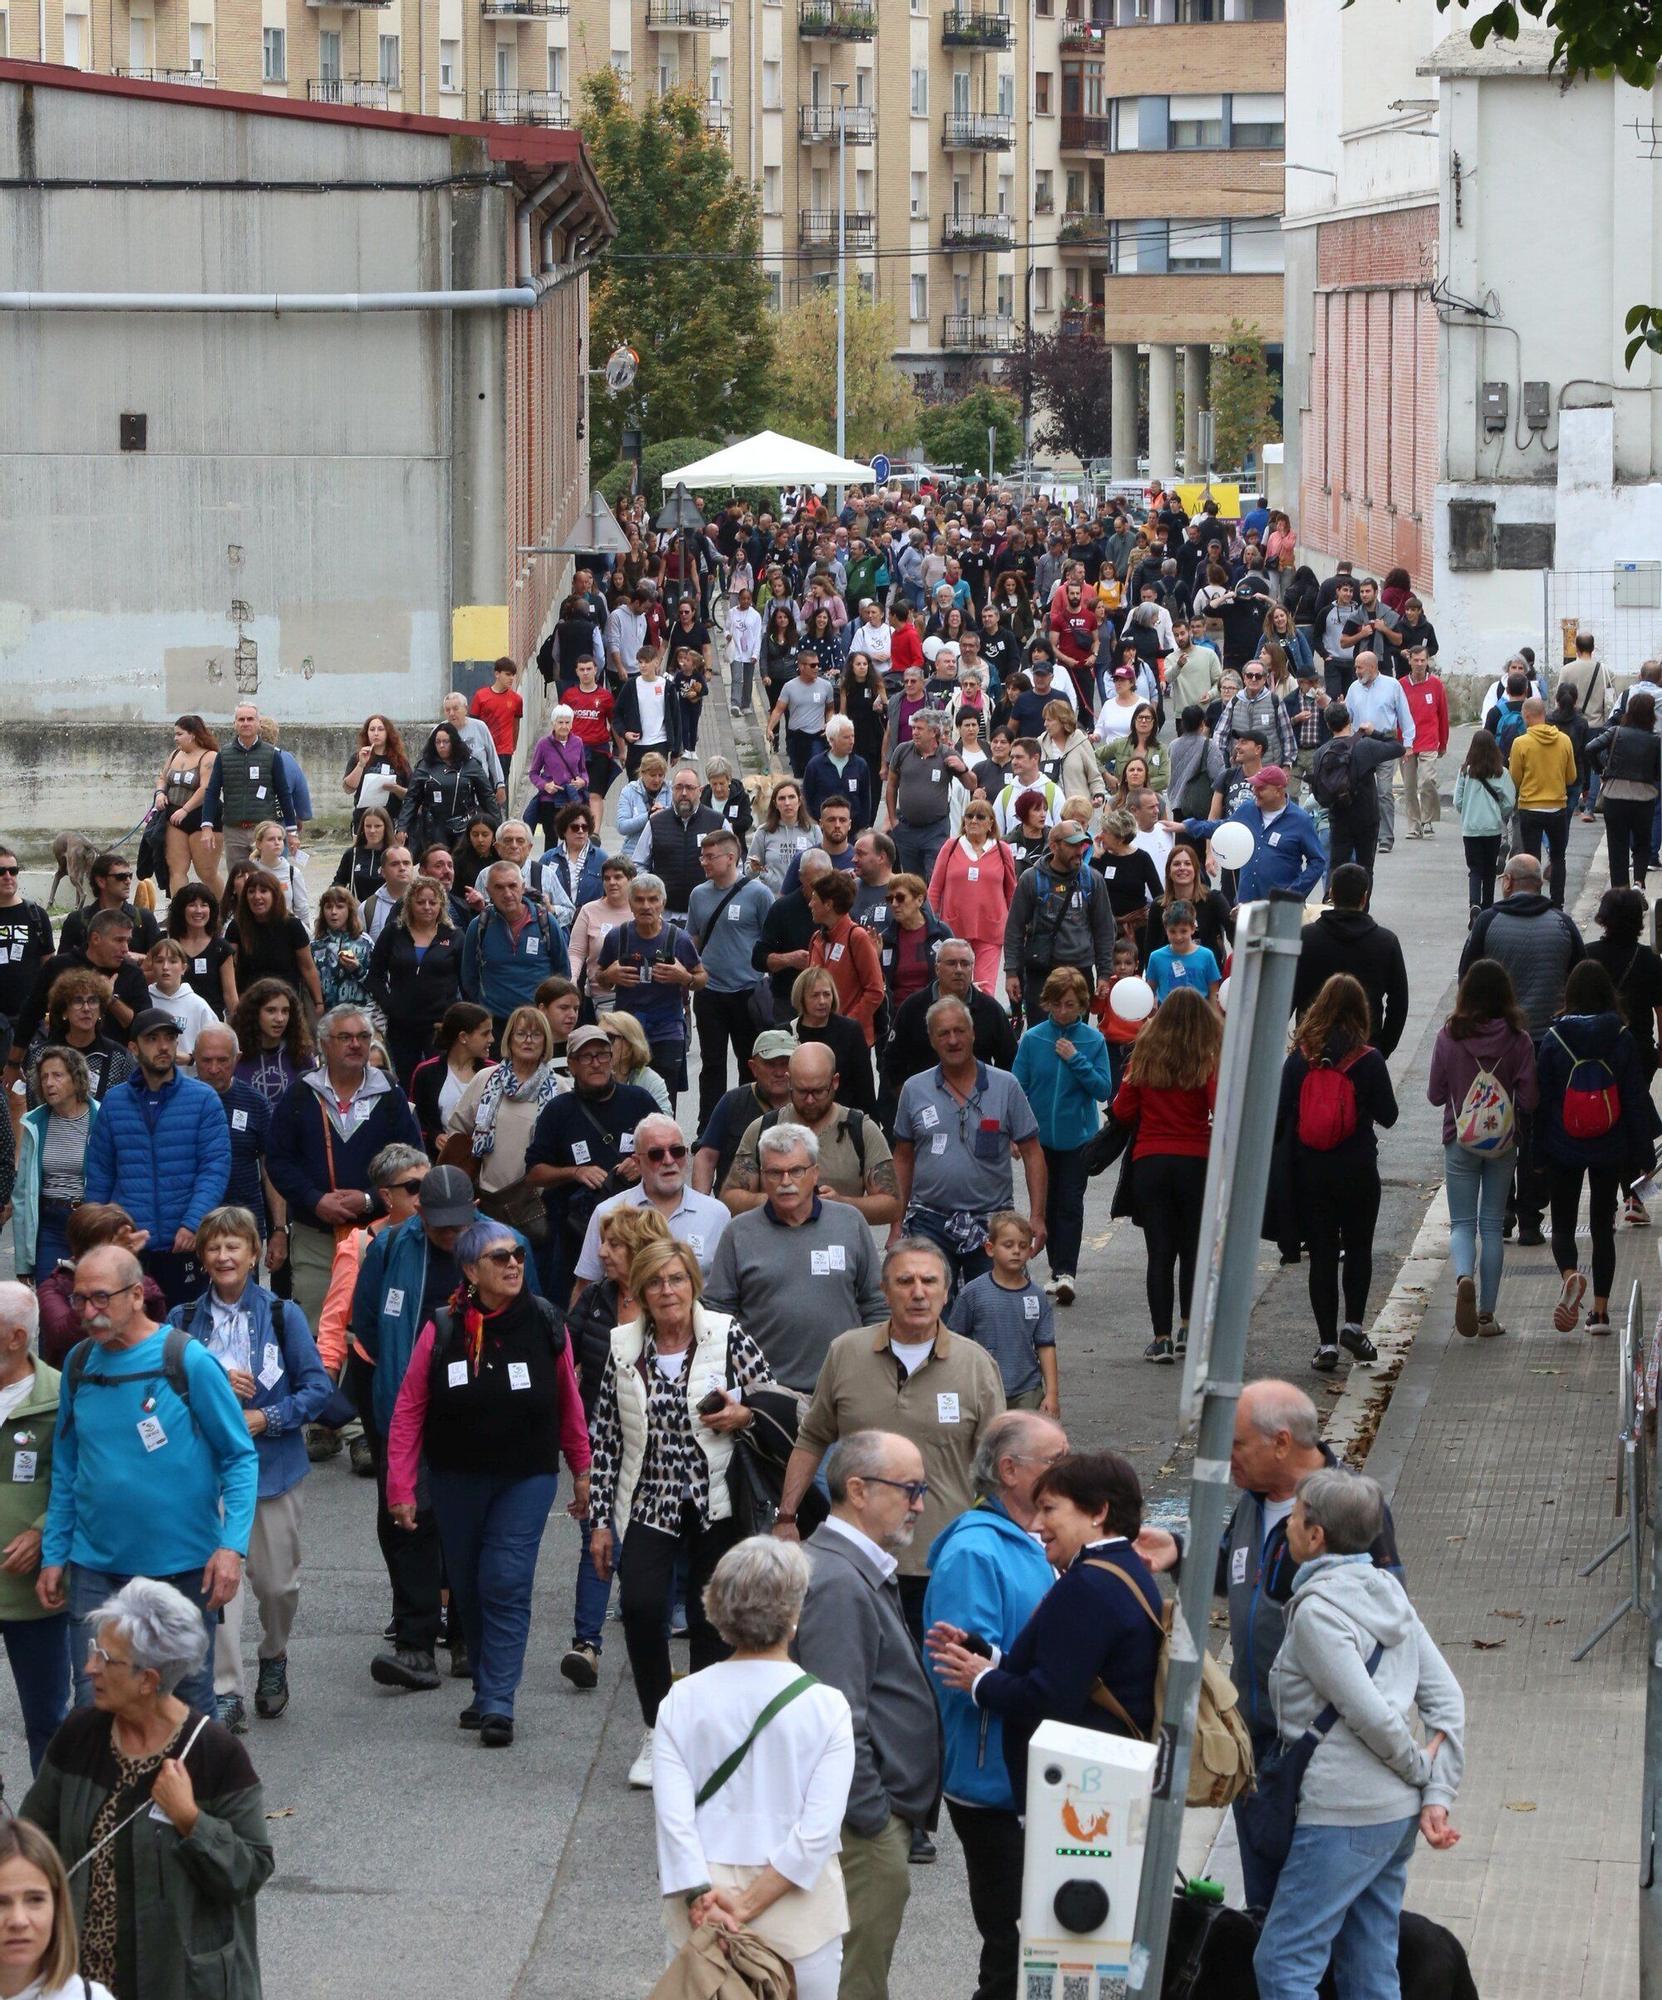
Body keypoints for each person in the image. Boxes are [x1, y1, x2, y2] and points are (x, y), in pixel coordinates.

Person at [1136, 1378, 1404, 1914]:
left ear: (1281, 1443)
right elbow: (1240, 1576)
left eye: (1237, 1445)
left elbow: (1391, 1623)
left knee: (1314, 1923)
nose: (1227, 1458)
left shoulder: (1351, 1508)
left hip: (1319, 1757)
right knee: (1265, 1906)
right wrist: (1182, 1553)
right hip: (1257, 1747)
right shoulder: (1254, 1505)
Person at [1253, 1470, 1465, 2000]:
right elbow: (1448, 1701)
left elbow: (1369, 1714)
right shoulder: (1390, 1595)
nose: (1289, 1529)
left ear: (1317, 1535)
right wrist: (1435, 1793)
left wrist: (1423, 1770)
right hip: (1393, 1819)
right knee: (1370, 1963)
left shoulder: (1319, 1614)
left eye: (1296, 1518)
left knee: (1283, 1964)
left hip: (1343, 1814)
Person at [387, 1218, 589, 1745]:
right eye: (500, 1258)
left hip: (527, 1478)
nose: (514, 1264)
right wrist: (401, 1487)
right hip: (456, 1480)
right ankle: (484, 1686)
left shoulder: (547, 1322)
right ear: (471, 1271)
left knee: (505, 1580)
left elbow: (569, 1403)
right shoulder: (444, 1327)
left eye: (518, 1254)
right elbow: (409, 1411)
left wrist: (583, 1470)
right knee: (471, 1588)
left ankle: (500, 1701)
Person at [23, 1575, 273, 1999]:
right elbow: (33, 1839)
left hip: (180, 1985)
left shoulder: (215, 1754)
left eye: (105, 1658)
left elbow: (249, 1871)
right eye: (92, 1651)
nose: (89, 1668)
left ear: (148, 1679)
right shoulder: (80, 1735)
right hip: (84, 1984)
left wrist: (192, 1821)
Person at [587, 1236, 775, 1788]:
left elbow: (774, 1402)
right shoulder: (624, 1347)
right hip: (650, 1500)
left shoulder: (725, 1334)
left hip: (718, 1501)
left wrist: (743, 1415)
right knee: (643, 1609)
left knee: (710, 1622)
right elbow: (607, 1440)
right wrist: (599, 1520)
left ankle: (704, 1737)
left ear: (692, 1282)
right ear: (640, 1291)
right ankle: (658, 1727)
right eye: (655, 1281)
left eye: (676, 1279)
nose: (667, 1290)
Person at [38, 1244, 257, 1716]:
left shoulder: (187, 1360)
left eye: (100, 1298)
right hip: (96, 1570)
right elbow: (68, 1469)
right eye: (79, 1300)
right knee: (98, 1706)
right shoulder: (77, 1366)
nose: (87, 1312)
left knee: (184, 1708)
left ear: (137, 1295)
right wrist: (55, 1554)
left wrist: (231, 1547)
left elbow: (240, 1457)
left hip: (181, 1570)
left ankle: (186, 1793)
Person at [652, 1537, 855, 2000]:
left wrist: (703, 1899)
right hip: (798, 1909)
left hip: (702, 1907)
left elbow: (673, 1819)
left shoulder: (682, 1700)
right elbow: (817, 1832)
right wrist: (746, 1906)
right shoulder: (826, 1707)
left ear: (716, 1609)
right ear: (793, 1613)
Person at [776, 1238, 1007, 1641]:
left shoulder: (976, 1366)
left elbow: (1000, 1467)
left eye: (929, 1281)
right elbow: (812, 1438)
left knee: (932, 1688)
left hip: (941, 1565)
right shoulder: (845, 1352)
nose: (918, 1292)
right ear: (884, 1290)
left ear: (946, 1290)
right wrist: (786, 1517)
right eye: (905, 1281)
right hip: (854, 1562)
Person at [918, 1411, 1066, 1996]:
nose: (1068, 1470)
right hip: (991, 1779)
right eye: (1056, 1461)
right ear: (1010, 1470)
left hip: (1027, 1772)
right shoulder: (975, 1554)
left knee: (1032, 1939)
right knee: (1011, 1941)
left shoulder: (1032, 1540)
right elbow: (962, 1666)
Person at [168, 1205, 330, 1733]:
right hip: (204, 1476)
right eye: (214, 1247)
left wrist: (268, 1415)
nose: (222, 1255)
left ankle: (275, 1653)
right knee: (220, 1585)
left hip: (272, 1472)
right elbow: (165, 1394)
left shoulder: (281, 1315)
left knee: (278, 1586)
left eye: (233, 1246)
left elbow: (317, 1389)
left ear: (254, 1253)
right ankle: (224, 1691)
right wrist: (206, 1382)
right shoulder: (183, 1323)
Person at [926, 1448, 1162, 1808]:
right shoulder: (1122, 1568)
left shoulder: (1087, 1584)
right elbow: (1070, 1670)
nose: (1037, 1525)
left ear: (1099, 1511)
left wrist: (979, 1680)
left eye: (1049, 1509)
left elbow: (1050, 1698)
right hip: (1099, 1782)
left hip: (1078, 1794)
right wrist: (985, 1653)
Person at [792, 1431, 942, 1990]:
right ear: (857, 1489)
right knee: (854, 1982)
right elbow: (837, 1719)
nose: (920, 1504)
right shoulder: (836, 1581)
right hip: (862, 1831)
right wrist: (875, 1818)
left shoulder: (847, 1568)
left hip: (865, 1822)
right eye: (910, 1489)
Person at [267, 1004, 423, 1331]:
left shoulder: (390, 1094)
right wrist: (313, 1199)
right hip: (315, 1237)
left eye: (363, 1037)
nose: (355, 1044)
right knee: (317, 1327)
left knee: (374, 1330)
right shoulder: (300, 1095)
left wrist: (369, 1199)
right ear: (324, 1044)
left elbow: (413, 1165)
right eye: (345, 1037)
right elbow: (279, 1161)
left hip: (378, 1235)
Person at [704, 1123, 887, 1396]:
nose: (786, 1181)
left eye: (796, 1170)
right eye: (775, 1172)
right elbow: (717, 1316)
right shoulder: (738, 1232)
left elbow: (876, 1304)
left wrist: (877, 1372)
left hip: (843, 1387)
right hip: (764, 1392)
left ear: (815, 1173)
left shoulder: (850, 1222)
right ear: (763, 1177)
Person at [1460, 853, 1586, 1245]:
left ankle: (1504, 1210)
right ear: (1540, 884)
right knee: (1537, 1129)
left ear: (1510, 883)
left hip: (1498, 1044)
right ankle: (1532, 1216)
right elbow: (1580, 980)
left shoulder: (1489, 922)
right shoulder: (1562, 924)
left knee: (1497, 1120)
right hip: (1549, 1045)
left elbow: (1467, 976)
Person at [1277, 973, 1398, 1373]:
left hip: (1311, 1170)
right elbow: (1390, 1116)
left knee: (1323, 1256)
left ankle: (1326, 1343)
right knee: (1359, 1248)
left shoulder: (1299, 1059)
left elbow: (1281, 1116)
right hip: (1358, 1167)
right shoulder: (1368, 1059)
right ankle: (1354, 1326)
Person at [893, 999, 1047, 1290]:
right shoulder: (914, 1089)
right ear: (932, 1039)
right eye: (943, 1033)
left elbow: (1032, 1152)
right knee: (928, 1312)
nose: (953, 1040)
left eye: (959, 1031)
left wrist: (1036, 1217)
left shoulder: (1007, 1086)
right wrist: (895, 1224)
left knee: (993, 1310)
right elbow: (902, 1158)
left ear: (973, 1033)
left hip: (993, 1223)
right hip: (929, 1220)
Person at [1537, 959, 1655, 1338]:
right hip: (1611, 1144)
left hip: (1562, 1143)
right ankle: (1601, 1315)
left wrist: (1536, 1154)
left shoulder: (1555, 1039)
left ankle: (1571, 1274)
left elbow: (1540, 1101)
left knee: (1564, 1224)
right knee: (1603, 1226)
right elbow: (1636, 1100)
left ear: (1569, 994)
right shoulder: (1621, 1037)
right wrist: (1644, 1157)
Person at [83, 1009, 230, 1310]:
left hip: (184, 1244)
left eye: (169, 1038)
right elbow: (99, 1173)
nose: (163, 1046)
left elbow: (214, 1168)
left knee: (186, 1339)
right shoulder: (114, 1102)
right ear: (134, 1048)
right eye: (152, 1039)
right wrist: (98, 1236)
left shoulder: (203, 1099)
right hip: (129, 1245)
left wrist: (192, 1223)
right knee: (130, 1339)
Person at [1427, 959, 1539, 1340]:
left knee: (1462, 1223)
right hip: (1503, 1142)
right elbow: (1531, 1098)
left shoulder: (1448, 1036)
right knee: (1492, 1224)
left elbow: (1434, 1094)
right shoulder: (1518, 1039)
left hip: (1460, 1138)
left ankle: (1463, 1276)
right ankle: (1488, 1316)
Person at [1109, 987, 1221, 1364]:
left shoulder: (1144, 1056)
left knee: (1160, 1253)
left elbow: (1123, 1111)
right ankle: (1189, 1328)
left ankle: (1162, 1339)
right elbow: (1218, 1106)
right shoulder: (1206, 1058)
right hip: (1195, 1160)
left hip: (1151, 1161)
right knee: (1191, 1250)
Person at [0, 1285, 71, 1773]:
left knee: (47, 1719)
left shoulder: (59, 1396)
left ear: (15, 1338)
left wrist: (45, 1531)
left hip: (33, 1592)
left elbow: (85, 1476)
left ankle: (47, 1833)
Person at [1012, 968, 1112, 1307]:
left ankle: (1066, 1271)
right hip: (1038, 1140)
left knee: (1070, 1203)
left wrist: (1076, 1059)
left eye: (1070, 1005)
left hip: (1078, 1138)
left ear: (1083, 1004)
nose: (1064, 1012)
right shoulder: (1034, 1038)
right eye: (1057, 1005)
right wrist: (1013, 1132)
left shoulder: (1093, 1040)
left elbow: (1102, 1088)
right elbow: (1018, 1087)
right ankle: (1056, 1270)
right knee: (1047, 1204)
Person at [438, 1005, 560, 1247]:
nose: (528, 1041)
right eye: (521, 1033)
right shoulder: (485, 1079)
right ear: (509, 1038)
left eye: (536, 1035)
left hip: (535, 1203)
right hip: (487, 1198)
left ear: (546, 1041)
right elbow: (458, 1129)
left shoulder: (560, 1089)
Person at [571, 1112, 730, 1292]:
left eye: (677, 1151)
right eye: (656, 1154)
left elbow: (728, 1290)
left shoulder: (717, 1214)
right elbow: (585, 1287)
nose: (669, 1161)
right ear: (637, 1163)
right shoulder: (607, 1213)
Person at [687, 830, 774, 1134]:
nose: (703, 862)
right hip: (710, 992)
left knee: (748, 1064)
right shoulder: (698, 894)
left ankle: (747, 1127)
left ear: (731, 857)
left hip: (747, 992)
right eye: (702, 856)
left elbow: (769, 941)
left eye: (710, 857)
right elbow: (694, 940)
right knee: (711, 1064)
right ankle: (707, 1128)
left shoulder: (759, 894)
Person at [1291, 864, 1410, 1058]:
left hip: (1312, 1049)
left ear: (1331, 894)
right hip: (1364, 1049)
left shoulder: (1306, 938)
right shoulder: (1386, 942)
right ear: (1364, 898)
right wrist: (1382, 1048)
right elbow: (1399, 1003)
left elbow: (1288, 994)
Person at [1002, 820, 1115, 1024]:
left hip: (1080, 971)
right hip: (1042, 973)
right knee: (1043, 1038)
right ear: (1054, 846)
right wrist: (1011, 972)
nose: (1079, 851)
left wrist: (1105, 973)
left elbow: (1104, 930)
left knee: (1076, 1039)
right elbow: (1014, 929)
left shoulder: (1093, 880)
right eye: (1072, 845)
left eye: (1082, 845)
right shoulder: (1031, 879)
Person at [1176, 765, 1327, 908]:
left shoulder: (1300, 820)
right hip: (1246, 904)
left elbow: (1318, 862)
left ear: (1278, 790)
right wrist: (1187, 826)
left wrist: (1294, 893)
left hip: (1284, 908)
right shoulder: (1247, 809)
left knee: (1280, 937)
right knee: (1244, 937)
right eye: (1254, 786)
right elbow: (1222, 827)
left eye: (1261, 787)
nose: (1254, 791)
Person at [12, 1049, 100, 1286]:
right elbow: (22, 1195)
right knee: (50, 1302)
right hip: (49, 1223)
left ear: (76, 1078)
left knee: (91, 1301)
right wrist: (22, 1261)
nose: (49, 1083)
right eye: (44, 1077)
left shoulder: (101, 1117)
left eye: (58, 1075)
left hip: (88, 1222)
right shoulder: (34, 1123)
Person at [368, 874, 465, 1087]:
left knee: (439, 1079)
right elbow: (374, 976)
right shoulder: (393, 933)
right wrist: (390, 1005)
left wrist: (458, 1015)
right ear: (409, 904)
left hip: (440, 1023)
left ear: (441, 905)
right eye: (420, 902)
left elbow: (466, 980)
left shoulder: (455, 936)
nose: (427, 907)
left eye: (433, 902)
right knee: (405, 1079)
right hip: (402, 1024)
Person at [927, 802, 1018, 999]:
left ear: (991, 823)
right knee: (954, 989)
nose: (973, 820)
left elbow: (1012, 893)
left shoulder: (1003, 850)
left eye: (980, 817)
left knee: (985, 991)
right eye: (969, 816)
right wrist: (928, 923)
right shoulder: (950, 847)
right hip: (954, 929)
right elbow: (934, 889)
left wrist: (1018, 928)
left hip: (991, 931)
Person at [1586, 689, 1662, 890]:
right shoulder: (1655, 740)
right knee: (1642, 842)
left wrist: (1600, 769)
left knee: (1617, 845)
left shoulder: (1616, 732)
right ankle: (1639, 882)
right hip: (1644, 796)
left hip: (1615, 794)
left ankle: (1621, 890)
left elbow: (1590, 748)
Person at [1508, 694, 1578, 909]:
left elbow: (1515, 778)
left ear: (1527, 716)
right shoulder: (1564, 740)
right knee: (1558, 857)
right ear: (1544, 714)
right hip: (1557, 806)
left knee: (1531, 858)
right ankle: (1558, 903)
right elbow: (1571, 776)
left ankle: (1533, 900)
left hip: (1530, 806)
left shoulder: (1521, 743)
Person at [223, 872, 322, 1019]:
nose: (257, 896)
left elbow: (307, 967)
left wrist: (318, 1002)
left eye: (263, 891)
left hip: (286, 1006)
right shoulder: (236, 927)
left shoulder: (292, 925)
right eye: (251, 891)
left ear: (275, 895)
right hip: (250, 1007)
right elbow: (230, 968)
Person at [886, 712, 967, 883]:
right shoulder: (902, 750)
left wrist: (963, 769)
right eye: (913, 728)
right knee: (911, 881)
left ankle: (933, 911)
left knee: (934, 879)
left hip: (935, 831)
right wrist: (893, 820)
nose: (914, 732)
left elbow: (972, 784)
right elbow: (891, 785)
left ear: (933, 731)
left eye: (919, 728)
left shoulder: (947, 754)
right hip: (906, 829)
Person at [400, 724, 497, 859]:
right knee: (438, 860)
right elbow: (412, 798)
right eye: (438, 742)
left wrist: (498, 825)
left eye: (445, 741)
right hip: (433, 826)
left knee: (462, 861)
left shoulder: (470, 764)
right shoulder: (425, 766)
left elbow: (486, 796)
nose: (441, 746)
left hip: (463, 823)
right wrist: (402, 827)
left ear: (454, 742)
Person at [409, 1001, 494, 1155]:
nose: (491, 1039)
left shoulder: (495, 1072)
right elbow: (415, 1120)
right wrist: (434, 1137)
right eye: (485, 1034)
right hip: (440, 1162)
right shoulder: (426, 1072)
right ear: (463, 1037)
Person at [153, 715, 223, 896]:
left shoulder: (209, 756)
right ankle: (178, 911)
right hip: (174, 816)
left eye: (179, 734)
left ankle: (226, 910)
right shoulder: (175, 754)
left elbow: (206, 788)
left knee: (206, 872)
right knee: (176, 870)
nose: (175, 738)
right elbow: (162, 777)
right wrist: (160, 793)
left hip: (203, 816)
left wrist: (186, 809)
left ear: (192, 735)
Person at [1453, 730, 1518, 917]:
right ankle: (1488, 908)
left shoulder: (1465, 771)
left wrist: (1467, 813)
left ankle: (1474, 903)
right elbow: (1509, 801)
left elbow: (1458, 801)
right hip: (1492, 828)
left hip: (1471, 828)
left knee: (1474, 869)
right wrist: (1500, 814)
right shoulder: (1501, 772)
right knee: (1490, 870)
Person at [1399, 644, 1450, 841]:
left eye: (1423, 660)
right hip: (1407, 743)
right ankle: (1413, 824)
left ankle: (1427, 819)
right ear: (1409, 660)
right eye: (1416, 660)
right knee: (1409, 785)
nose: (1420, 664)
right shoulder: (1401, 685)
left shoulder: (1436, 685)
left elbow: (1443, 715)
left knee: (1427, 780)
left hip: (1429, 740)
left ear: (1428, 661)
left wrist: (1443, 742)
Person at [342, 713, 412, 832]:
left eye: (380, 729)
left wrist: (395, 789)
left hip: (391, 821)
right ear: (367, 733)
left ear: (388, 733)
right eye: (372, 729)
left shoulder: (400, 761)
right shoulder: (358, 757)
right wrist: (361, 764)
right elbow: (348, 789)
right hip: (363, 820)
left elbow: (411, 794)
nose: (376, 733)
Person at [750, 777, 818, 894]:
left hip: (804, 898)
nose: (787, 803)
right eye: (781, 798)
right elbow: (748, 871)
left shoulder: (813, 830)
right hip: (773, 897)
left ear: (799, 801)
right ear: (775, 804)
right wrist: (754, 868)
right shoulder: (763, 832)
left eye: (791, 797)